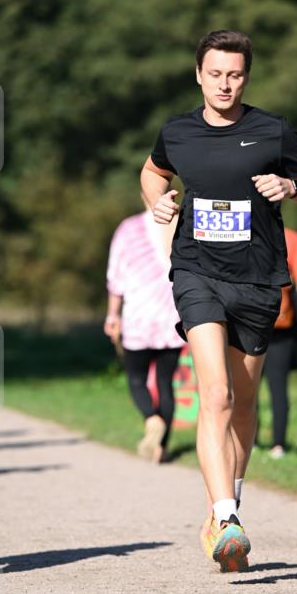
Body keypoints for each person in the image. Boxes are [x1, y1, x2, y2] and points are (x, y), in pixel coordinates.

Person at [140, 30, 297, 571]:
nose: (225, 84)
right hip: (197, 272)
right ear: (198, 74)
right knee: (217, 395)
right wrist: (159, 201)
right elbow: (152, 172)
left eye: (235, 74)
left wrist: (292, 189)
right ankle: (225, 516)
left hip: (258, 278)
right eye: (216, 73)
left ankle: (225, 511)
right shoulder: (176, 130)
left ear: (246, 77)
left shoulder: (273, 130)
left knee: (245, 405)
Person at [104, 196, 183, 463]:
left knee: (136, 379)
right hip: (172, 319)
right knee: (166, 384)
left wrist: (113, 314)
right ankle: (161, 447)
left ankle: (151, 418)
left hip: (138, 318)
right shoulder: (183, 225)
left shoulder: (129, 228)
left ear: (143, 195)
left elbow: (116, 277)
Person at [262, 227, 297, 459]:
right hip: (281, 326)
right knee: (278, 388)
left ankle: (248, 442)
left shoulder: (243, 230)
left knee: (244, 386)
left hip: (245, 324)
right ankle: (278, 445)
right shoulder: (291, 237)